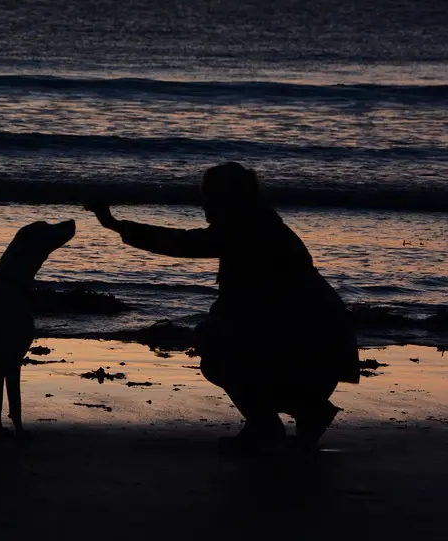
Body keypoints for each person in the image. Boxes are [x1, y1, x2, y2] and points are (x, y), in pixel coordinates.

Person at [85, 162, 359, 451]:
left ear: (229, 200)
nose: (204, 208)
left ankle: (275, 423)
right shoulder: (262, 224)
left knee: (216, 346)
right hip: (323, 348)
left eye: (210, 200)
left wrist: (115, 225)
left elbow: (184, 243)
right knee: (226, 341)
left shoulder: (248, 231)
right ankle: (300, 412)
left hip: (314, 350)